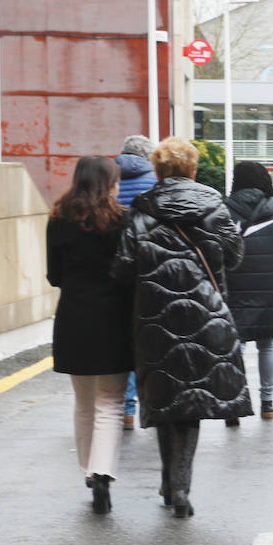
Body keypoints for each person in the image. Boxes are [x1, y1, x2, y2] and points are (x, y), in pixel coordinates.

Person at [112, 136, 250, 519]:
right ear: (192, 169)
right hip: (206, 314)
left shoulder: (139, 211)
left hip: (154, 317)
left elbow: (123, 267)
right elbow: (235, 255)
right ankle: (180, 486)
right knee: (191, 403)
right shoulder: (213, 206)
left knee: (164, 400)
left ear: (157, 170)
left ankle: (169, 480)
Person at [46, 156, 133, 514]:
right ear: (108, 183)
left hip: (74, 318)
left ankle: (88, 470)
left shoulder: (58, 219)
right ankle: (102, 471)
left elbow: (54, 276)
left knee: (83, 402)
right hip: (114, 319)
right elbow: (130, 270)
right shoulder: (122, 219)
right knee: (110, 403)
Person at [224, 161, 273, 423]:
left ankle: (234, 404)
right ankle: (268, 403)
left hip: (234, 288)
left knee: (237, 346)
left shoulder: (224, 210)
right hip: (271, 290)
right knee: (267, 344)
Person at [115, 134, 157, 429]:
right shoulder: (156, 182)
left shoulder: (108, 180)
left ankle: (127, 409)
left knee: (124, 340)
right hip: (150, 269)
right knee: (151, 340)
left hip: (117, 270)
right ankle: (152, 406)